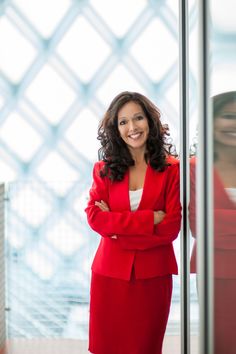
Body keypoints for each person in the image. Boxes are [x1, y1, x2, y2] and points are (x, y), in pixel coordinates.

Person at [85, 91, 182, 354]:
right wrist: (150, 218)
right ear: (116, 129)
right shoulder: (103, 170)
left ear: (149, 121)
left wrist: (116, 228)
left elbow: (171, 228)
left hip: (153, 278)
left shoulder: (172, 169)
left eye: (138, 118)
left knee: (145, 347)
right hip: (109, 277)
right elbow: (95, 217)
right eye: (123, 122)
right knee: (107, 348)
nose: (132, 127)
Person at [190, 91, 236, 354]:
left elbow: (212, 223)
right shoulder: (195, 168)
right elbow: (199, 225)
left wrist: (219, 219)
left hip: (217, 261)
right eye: (228, 116)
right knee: (219, 342)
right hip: (214, 272)